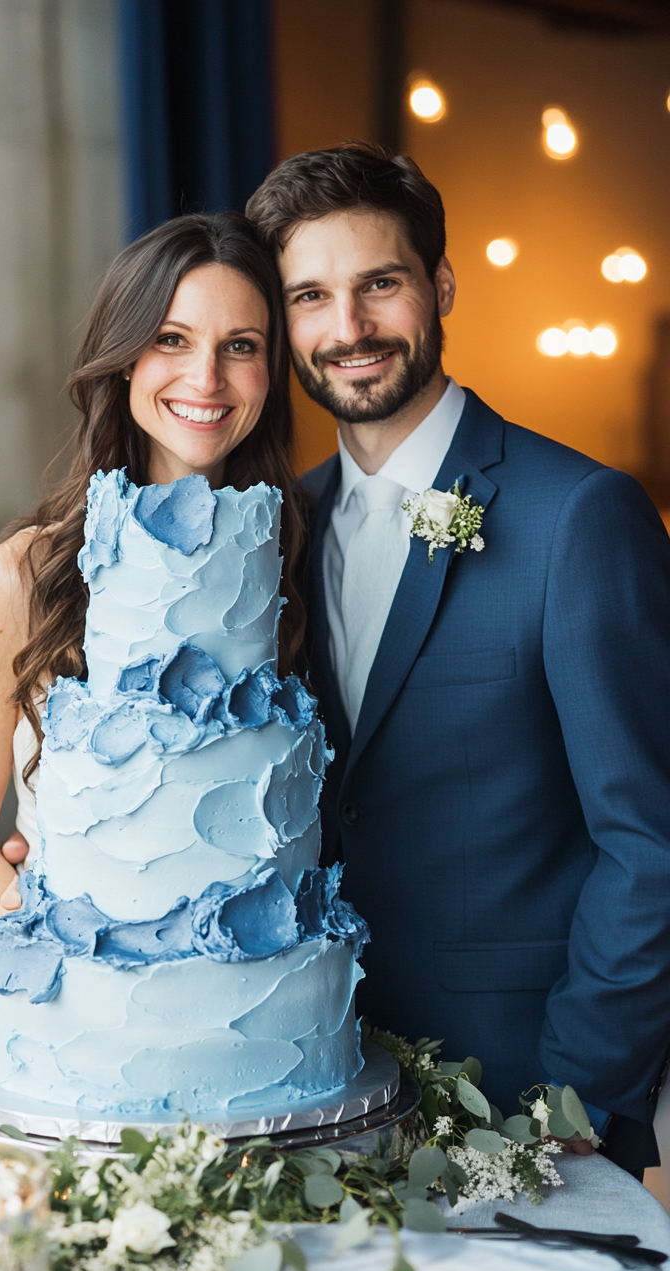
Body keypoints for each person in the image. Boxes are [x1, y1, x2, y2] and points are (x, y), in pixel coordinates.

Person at [245, 142, 670, 1175]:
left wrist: (572, 1095)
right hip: (311, 1089)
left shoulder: (575, 516)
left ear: (436, 285)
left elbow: (650, 843)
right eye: (309, 296)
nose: (346, 330)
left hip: (526, 1098)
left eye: (377, 285)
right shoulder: (274, 530)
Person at [0, 212, 306, 934]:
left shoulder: (295, 557)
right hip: (84, 1006)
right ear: (127, 356)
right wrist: (64, 930)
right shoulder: (24, 575)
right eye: (172, 339)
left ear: (270, 373)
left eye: (241, 346)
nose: (206, 377)